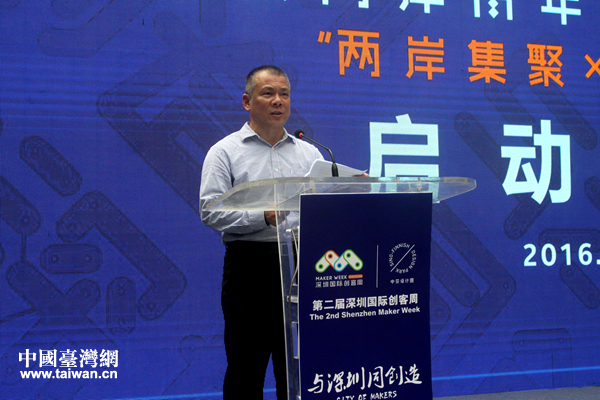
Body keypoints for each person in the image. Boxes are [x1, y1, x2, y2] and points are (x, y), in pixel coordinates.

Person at [199, 65, 323, 399]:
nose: (278, 101)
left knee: (298, 368)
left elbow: (322, 204)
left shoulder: (310, 153)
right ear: (247, 101)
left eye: (284, 94)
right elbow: (210, 211)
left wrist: (348, 189)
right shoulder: (225, 151)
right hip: (249, 266)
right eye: (268, 93)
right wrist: (262, 217)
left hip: (300, 263)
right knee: (246, 367)